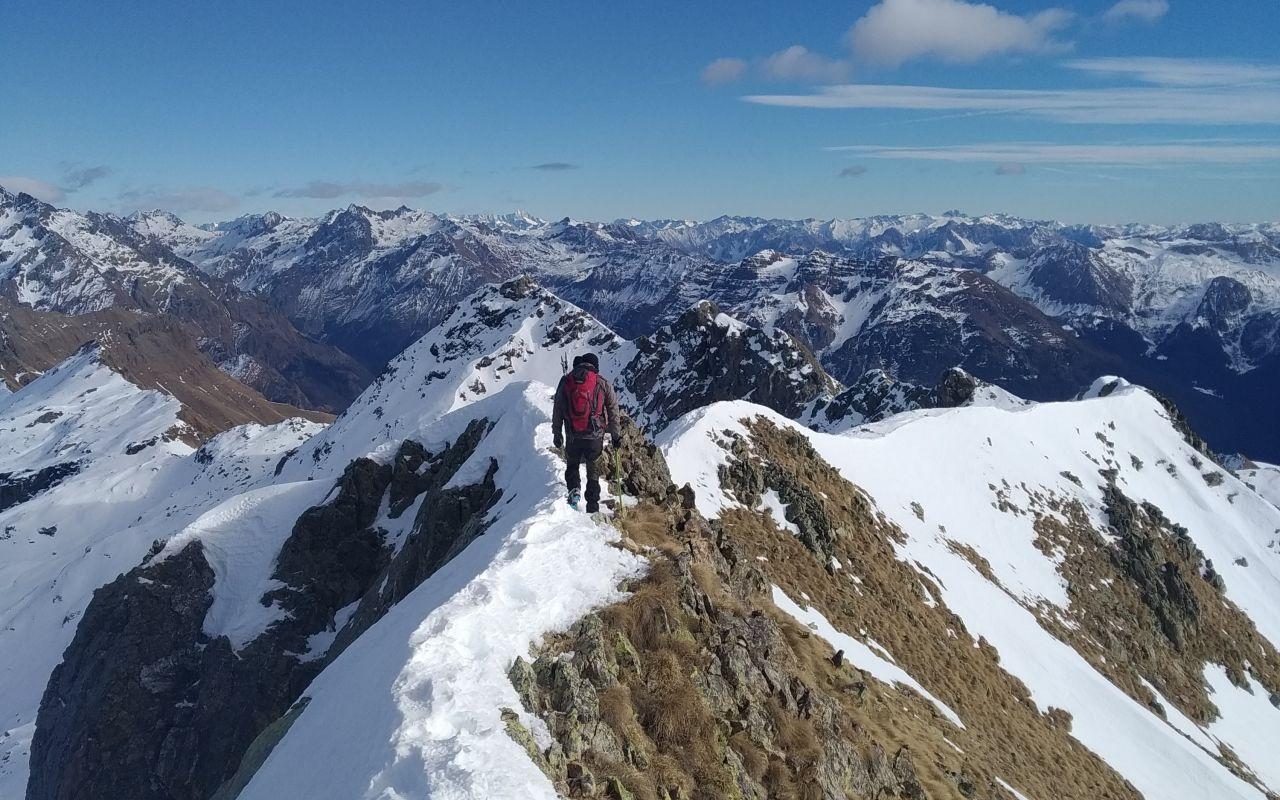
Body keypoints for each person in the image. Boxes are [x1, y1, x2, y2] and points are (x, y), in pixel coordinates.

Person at [552, 352, 622, 513]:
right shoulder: (601, 382)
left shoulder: (566, 380)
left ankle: (574, 490)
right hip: (594, 436)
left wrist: (557, 432)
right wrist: (615, 435)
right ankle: (592, 506)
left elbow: (558, 408)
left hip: (572, 434)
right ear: (595, 366)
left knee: (572, 465)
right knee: (593, 470)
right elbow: (613, 409)